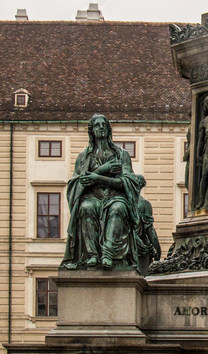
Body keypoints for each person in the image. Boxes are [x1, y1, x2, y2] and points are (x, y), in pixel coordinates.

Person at [61, 114, 148, 270]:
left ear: (108, 130)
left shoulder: (122, 155)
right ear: (92, 131)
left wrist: (96, 178)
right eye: (97, 125)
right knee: (86, 208)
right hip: (92, 197)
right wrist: (104, 171)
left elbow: (128, 182)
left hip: (115, 197)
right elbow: (78, 182)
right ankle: (92, 254)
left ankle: (108, 254)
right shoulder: (83, 157)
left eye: (104, 125)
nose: (101, 127)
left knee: (118, 209)